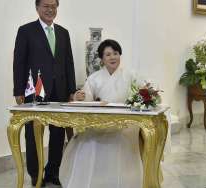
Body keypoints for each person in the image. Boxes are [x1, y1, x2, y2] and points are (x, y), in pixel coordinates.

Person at [59, 39, 143, 188]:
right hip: (100, 122)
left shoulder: (131, 75)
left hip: (124, 123)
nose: (112, 57)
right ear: (102, 59)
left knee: (120, 137)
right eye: (108, 54)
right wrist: (80, 97)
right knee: (87, 140)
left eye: (115, 53)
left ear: (120, 55)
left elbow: (143, 93)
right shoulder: (94, 78)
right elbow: (87, 98)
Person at [13, 0, 76, 186]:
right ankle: (36, 174)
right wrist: (18, 90)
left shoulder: (64, 33)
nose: (50, 10)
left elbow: (69, 63)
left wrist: (71, 90)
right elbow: (19, 62)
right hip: (35, 90)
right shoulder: (26, 31)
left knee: (57, 135)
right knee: (33, 135)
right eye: (46, 6)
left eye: (54, 6)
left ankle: (53, 172)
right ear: (37, 8)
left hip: (60, 91)